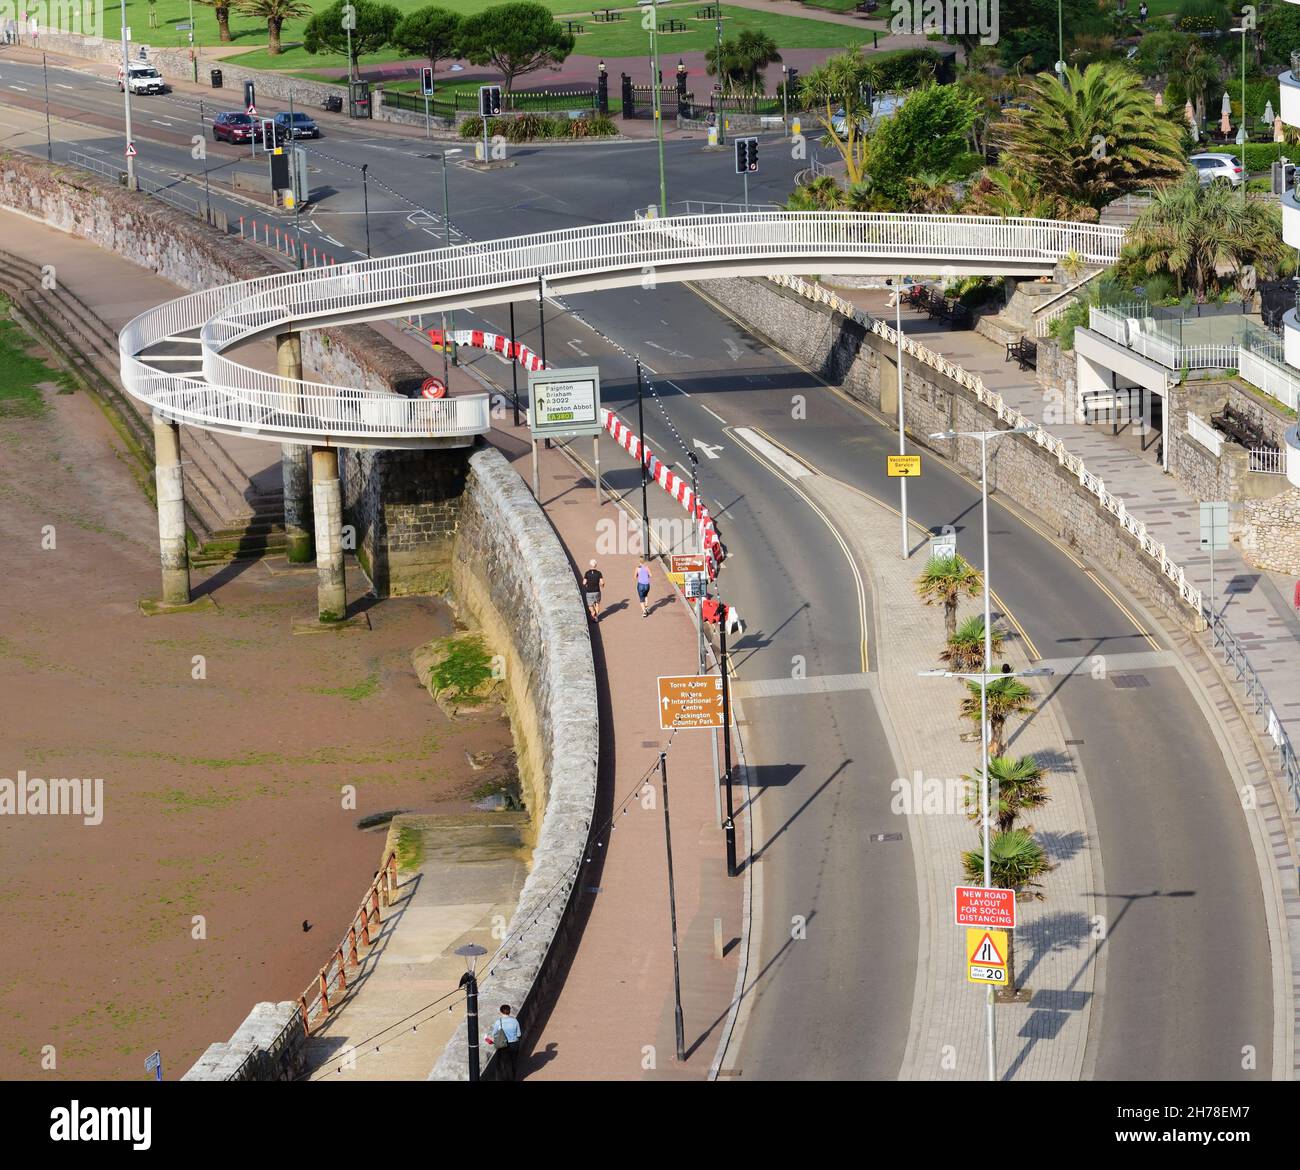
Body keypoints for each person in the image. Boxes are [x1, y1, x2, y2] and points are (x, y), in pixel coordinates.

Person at [489, 1004, 522, 1081]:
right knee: (513, 1062)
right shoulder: (515, 1021)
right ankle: (512, 1078)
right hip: (514, 1044)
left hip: (503, 1045)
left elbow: (494, 1034)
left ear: (501, 1012)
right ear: (509, 1012)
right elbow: (519, 1034)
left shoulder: (498, 1022)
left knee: (505, 1063)